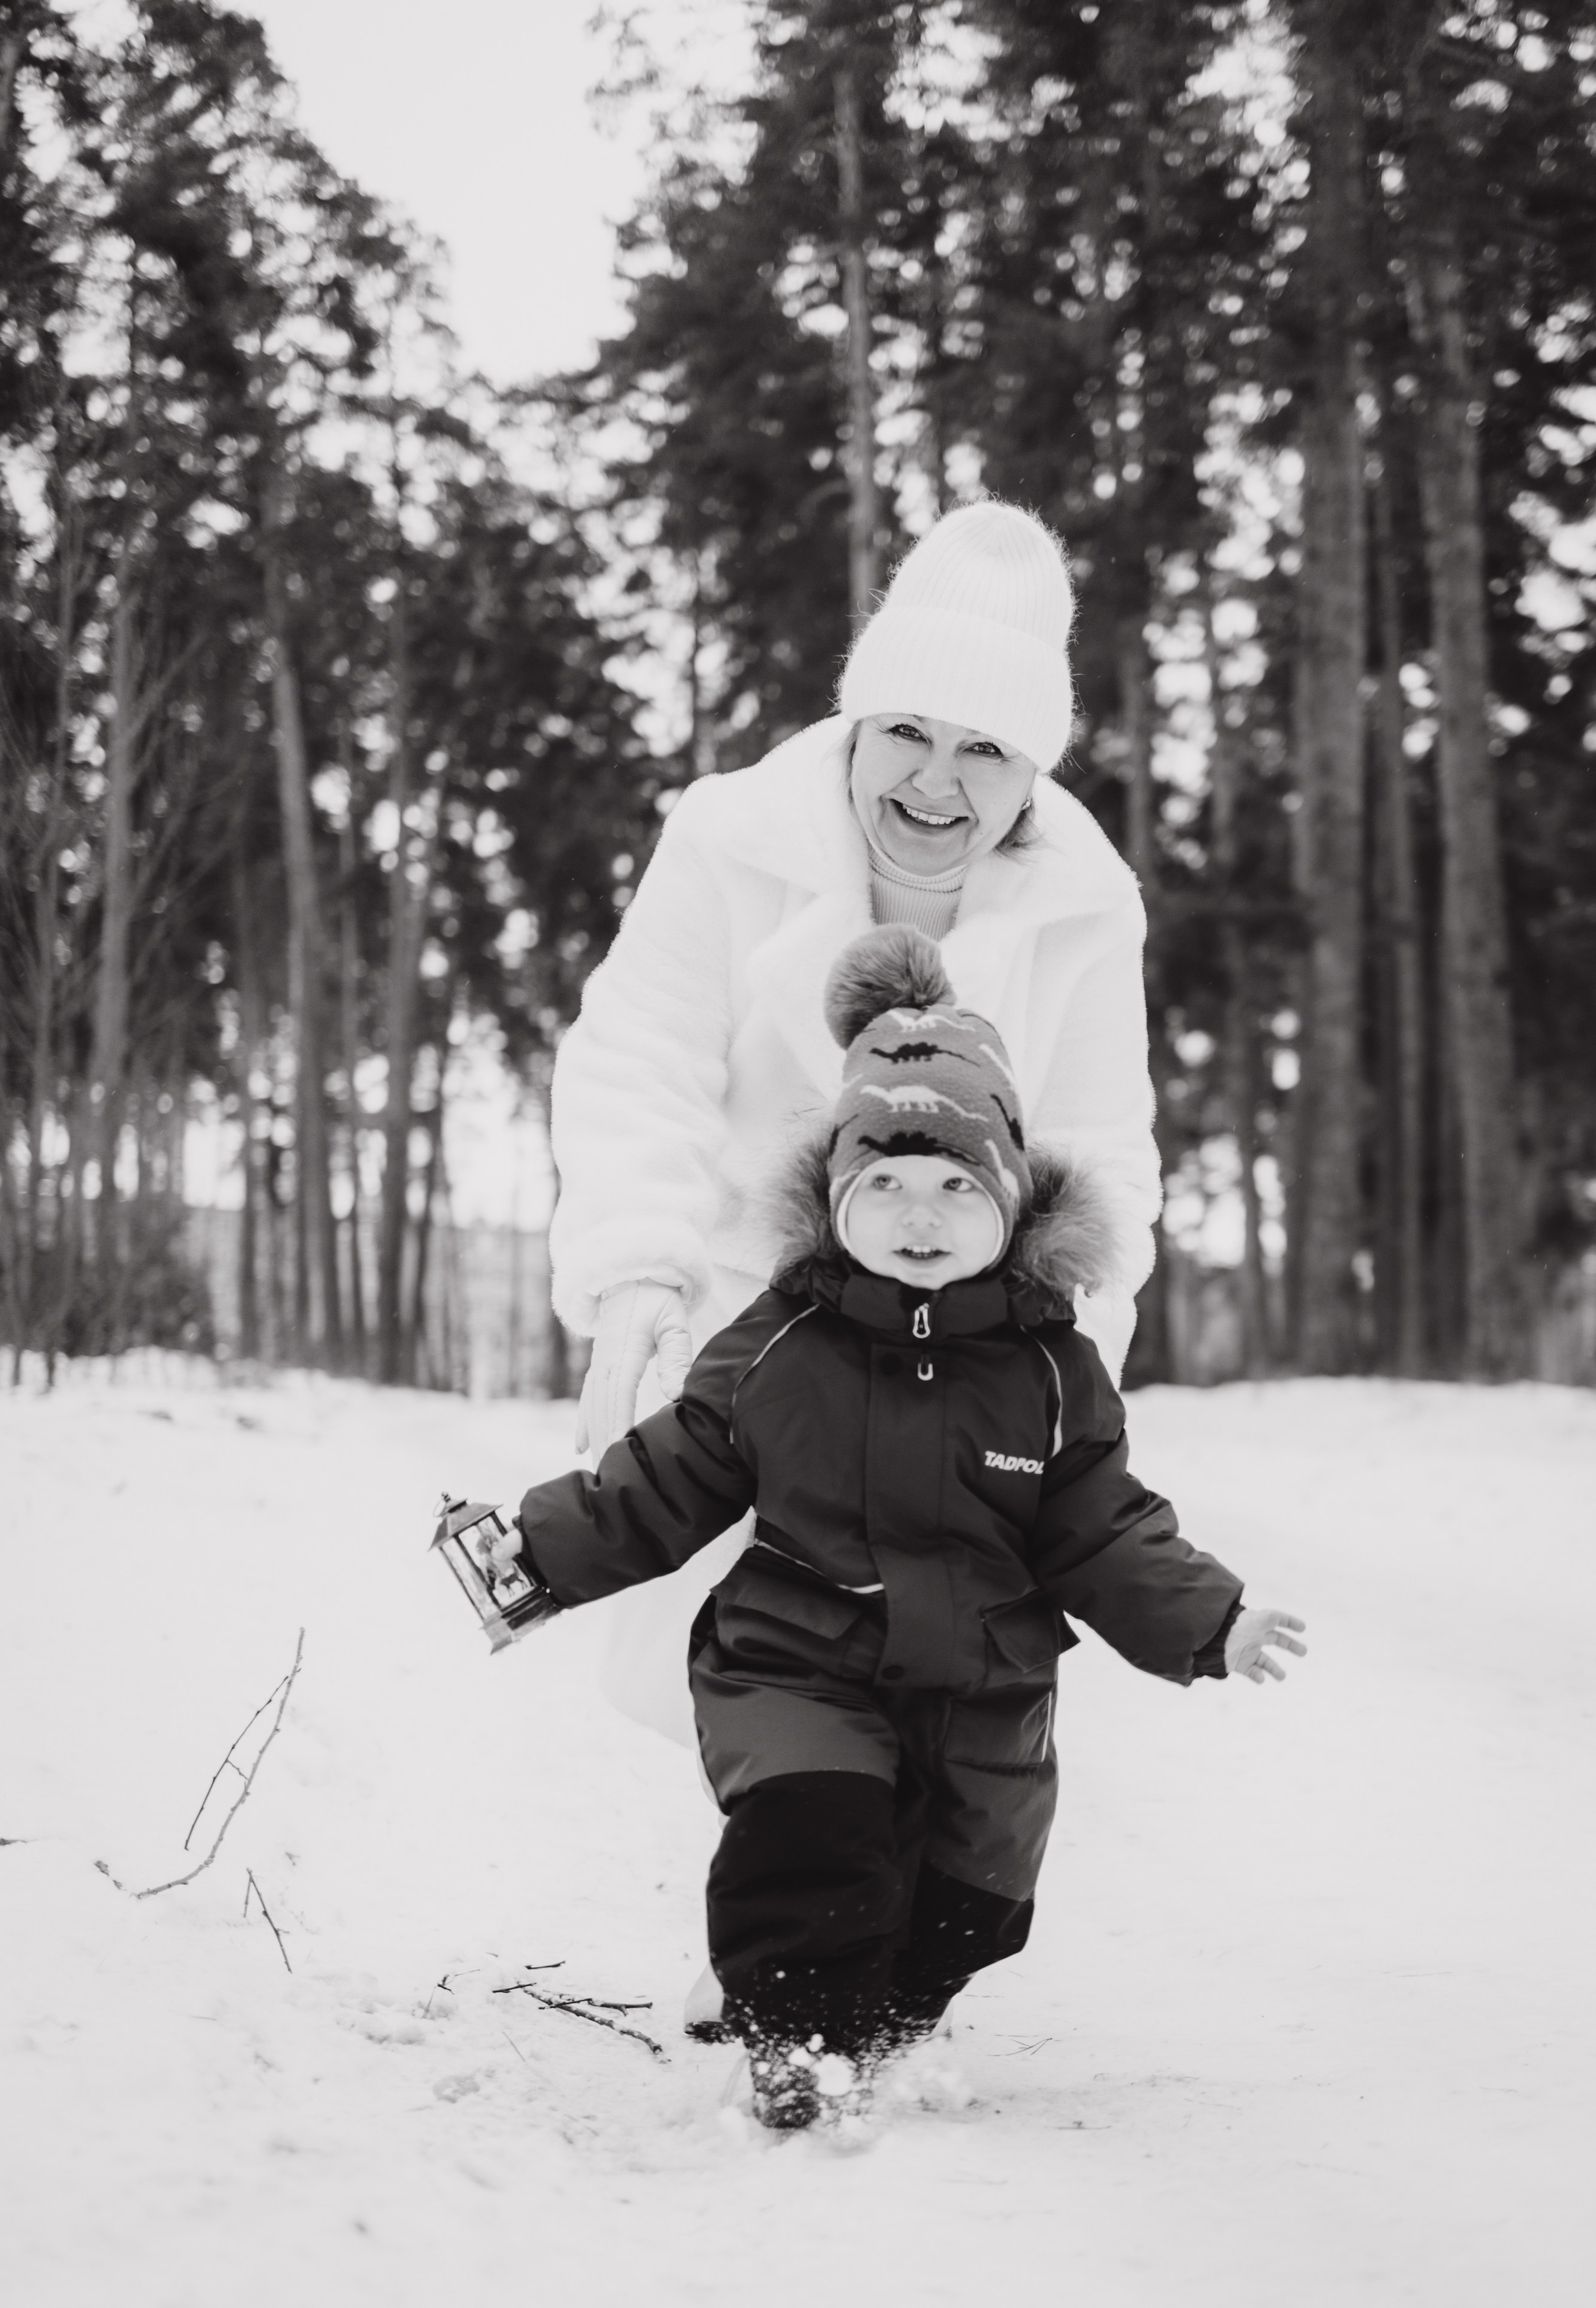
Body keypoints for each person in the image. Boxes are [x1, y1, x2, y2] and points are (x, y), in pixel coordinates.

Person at [506, 929, 1306, 2132]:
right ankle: (802, 2042)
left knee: (971, 1905)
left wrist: (1213, 1618)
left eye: (954, 1187)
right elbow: (670, 1474)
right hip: (798, 1656)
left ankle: (879, 2015)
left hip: (982, 1687)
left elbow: (1102, 1525)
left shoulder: (1049, 1369)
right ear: (836, 1204)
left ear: (1012, 1203)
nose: (917, 1214)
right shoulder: (781, 1346)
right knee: (810, 1832)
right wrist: (536, 1551)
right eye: (882, 1183)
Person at [547, 498, 1163, 1749]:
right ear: (856, 722)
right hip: (738, 1314)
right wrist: (632, 1286)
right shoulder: (730, 838)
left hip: (958, 1338)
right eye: (906, 733)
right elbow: (637, 1058)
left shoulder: (1083, 908)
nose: (934, 782)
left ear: (1031, 768)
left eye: (983, 750)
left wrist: (1065, 1367)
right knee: (720, 1660)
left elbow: (1098, 1151)